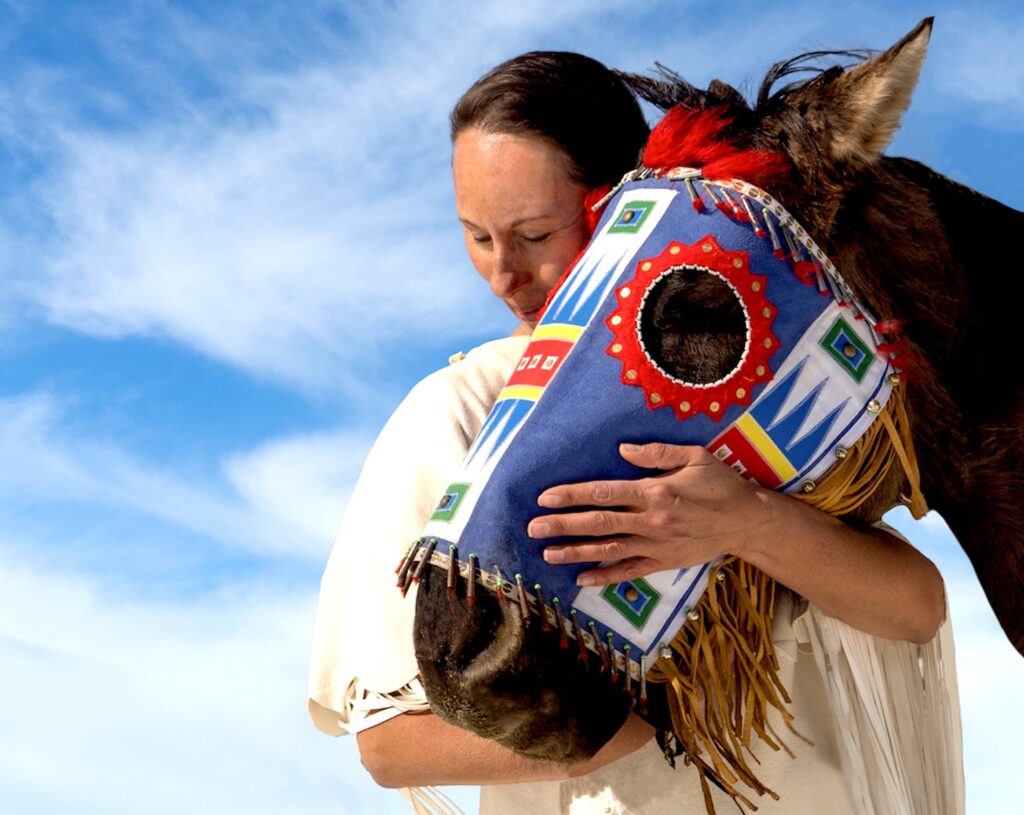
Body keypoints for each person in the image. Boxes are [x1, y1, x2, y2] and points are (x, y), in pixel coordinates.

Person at [308, 52, 961, 815]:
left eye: (534, 232)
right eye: (478, 237)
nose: (503, 274)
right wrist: (668, 715)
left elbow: (916, 607)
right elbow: (391, 743)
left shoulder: (736, 382)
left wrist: (751, 522)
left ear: (626, 208)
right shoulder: (460, 411)